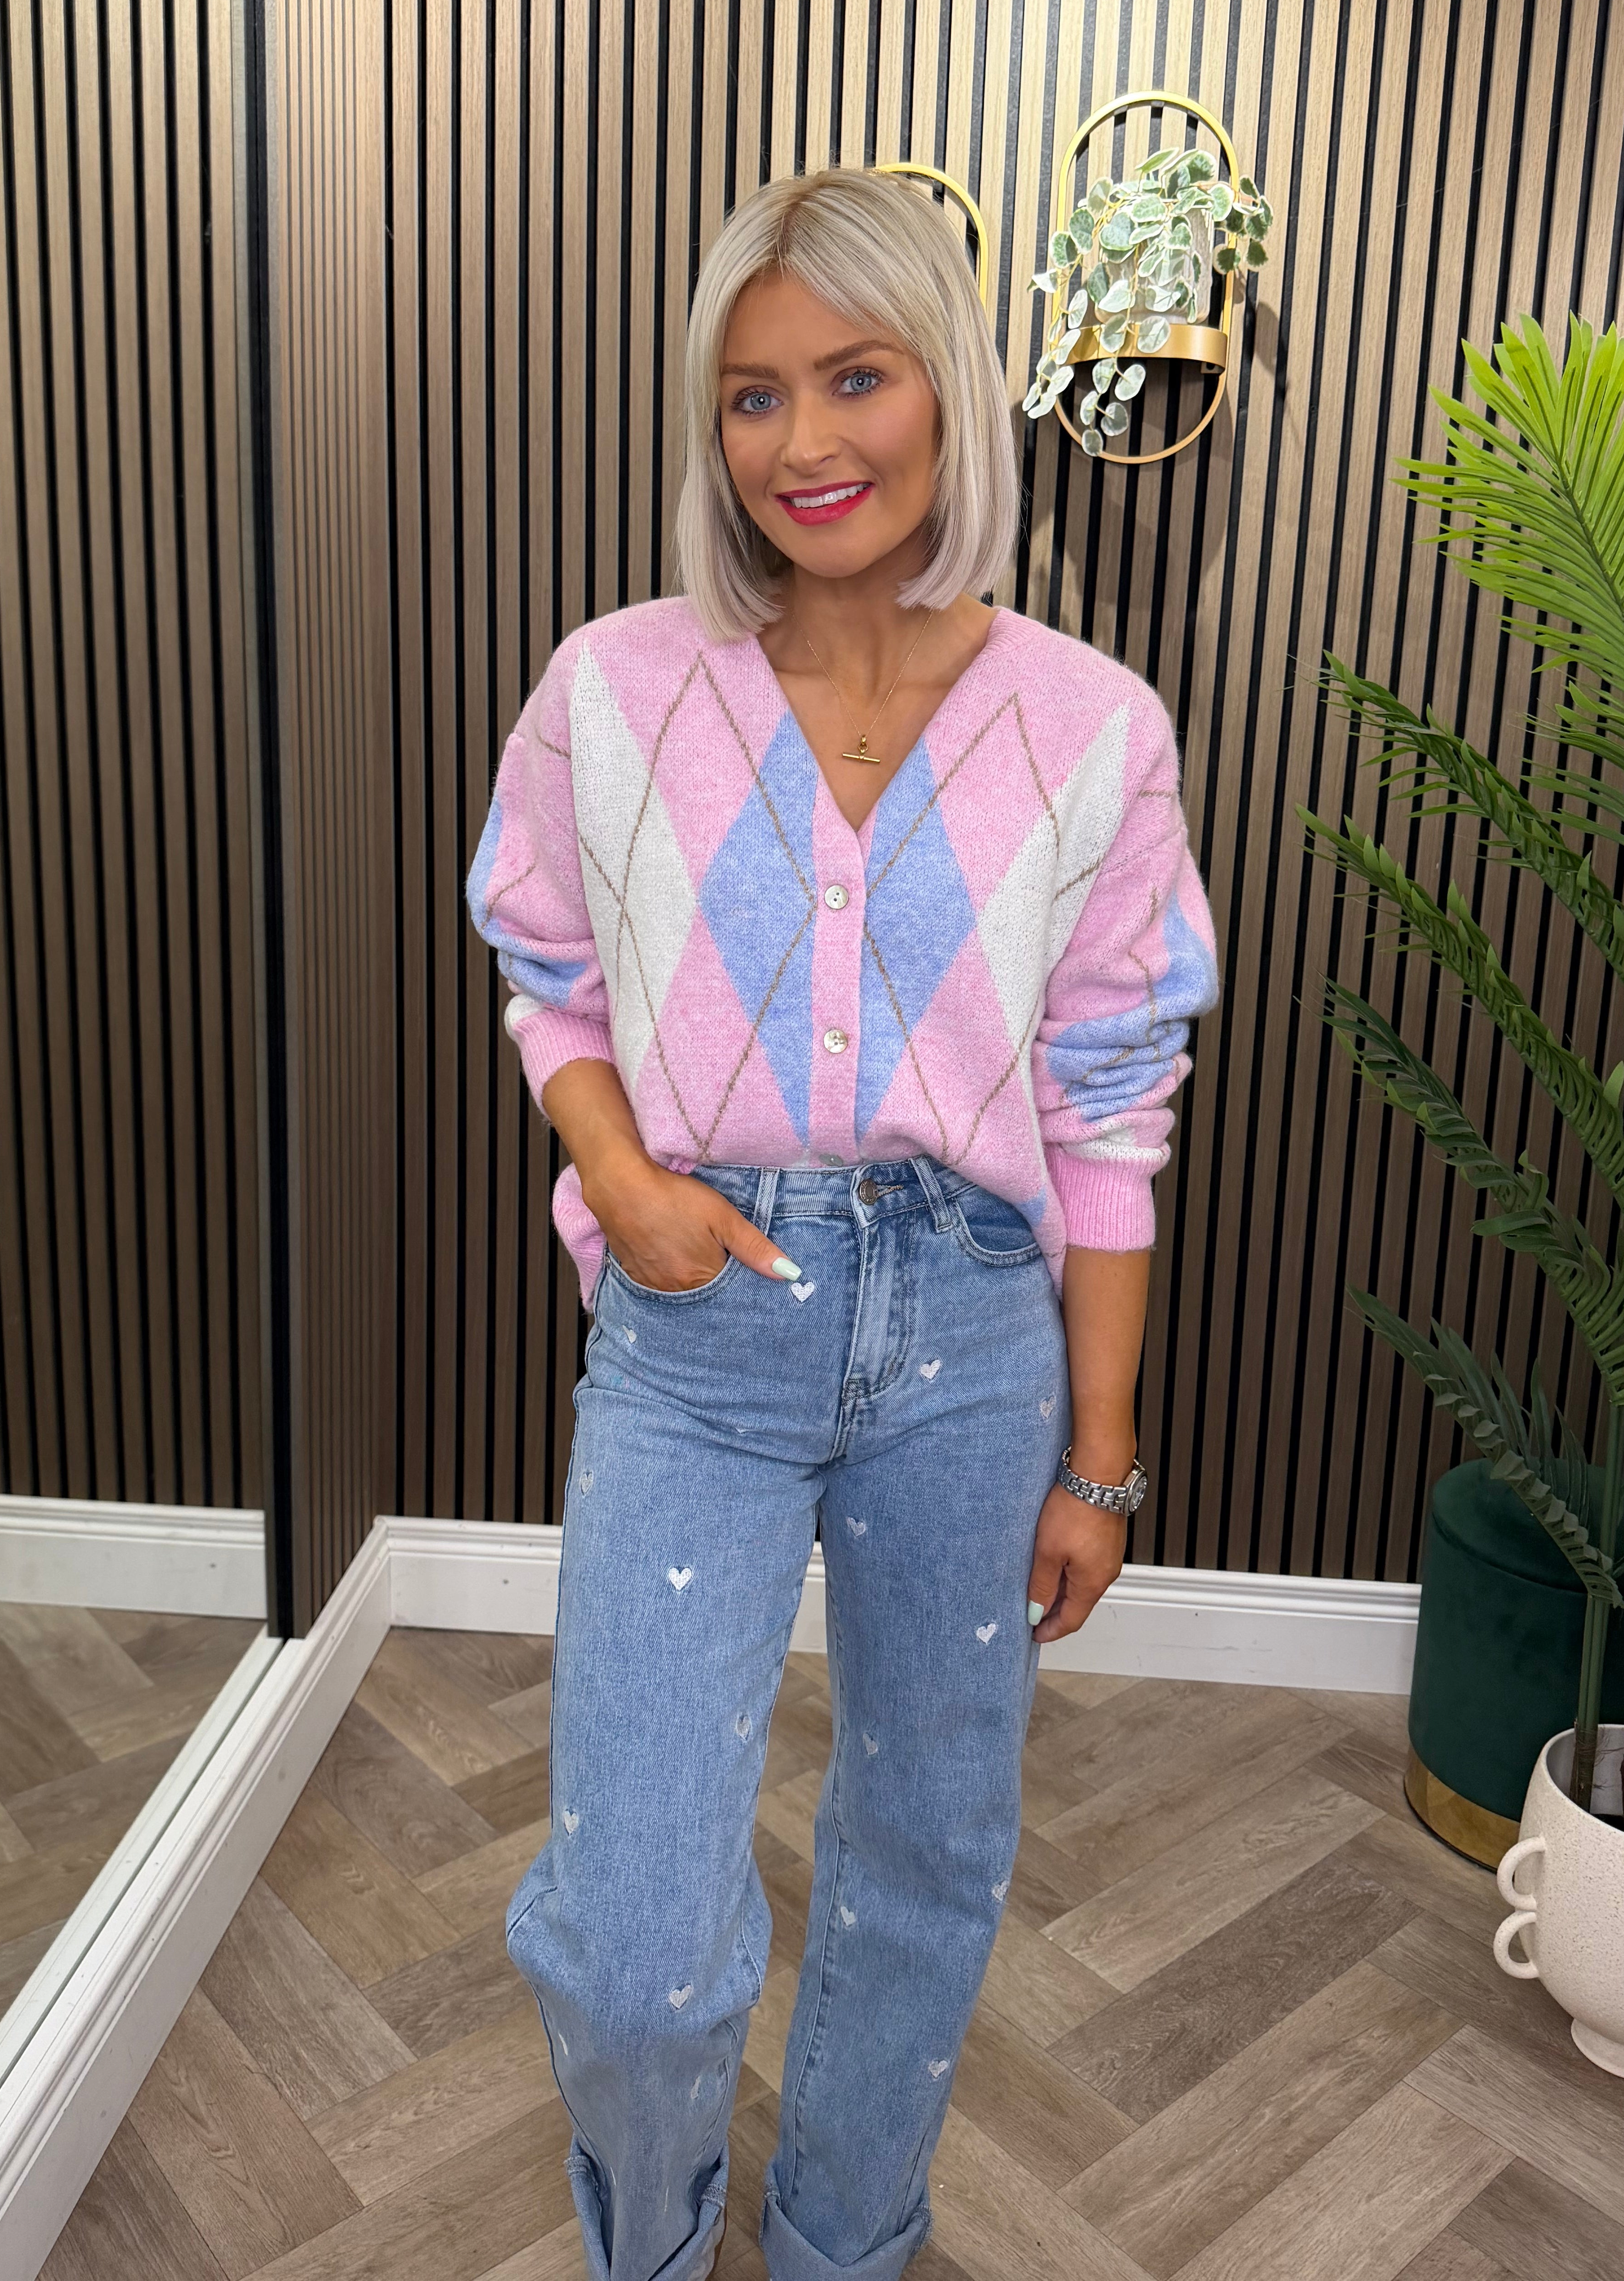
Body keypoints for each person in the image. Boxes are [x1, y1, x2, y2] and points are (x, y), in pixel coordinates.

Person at [466, 166, 1218, 2281]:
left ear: (950, 389)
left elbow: (1111, 1110)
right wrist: (624, 1179)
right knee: (633, 1946)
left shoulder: (1094, 728)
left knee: (928, 1852)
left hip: (976, 1346)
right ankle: (649, 2243)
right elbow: (549, 970)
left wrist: (1098, 1452)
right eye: (751, 395)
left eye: (856, 377)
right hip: (698, 1331)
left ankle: (842, 2246)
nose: (803, 441)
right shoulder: (614, 691)